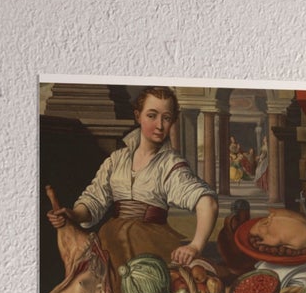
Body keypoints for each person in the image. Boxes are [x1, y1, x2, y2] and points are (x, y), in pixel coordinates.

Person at [46, 87, 218, 270]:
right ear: (138, 116)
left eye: (166, 118)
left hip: (151, 245)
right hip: (110, 241)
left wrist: (195, 245)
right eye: (152, 116)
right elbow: (93, 200)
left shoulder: (171, 164)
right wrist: (72, 214)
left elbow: (208, 203)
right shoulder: (117, 159)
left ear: (173, 121)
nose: (159, 125)